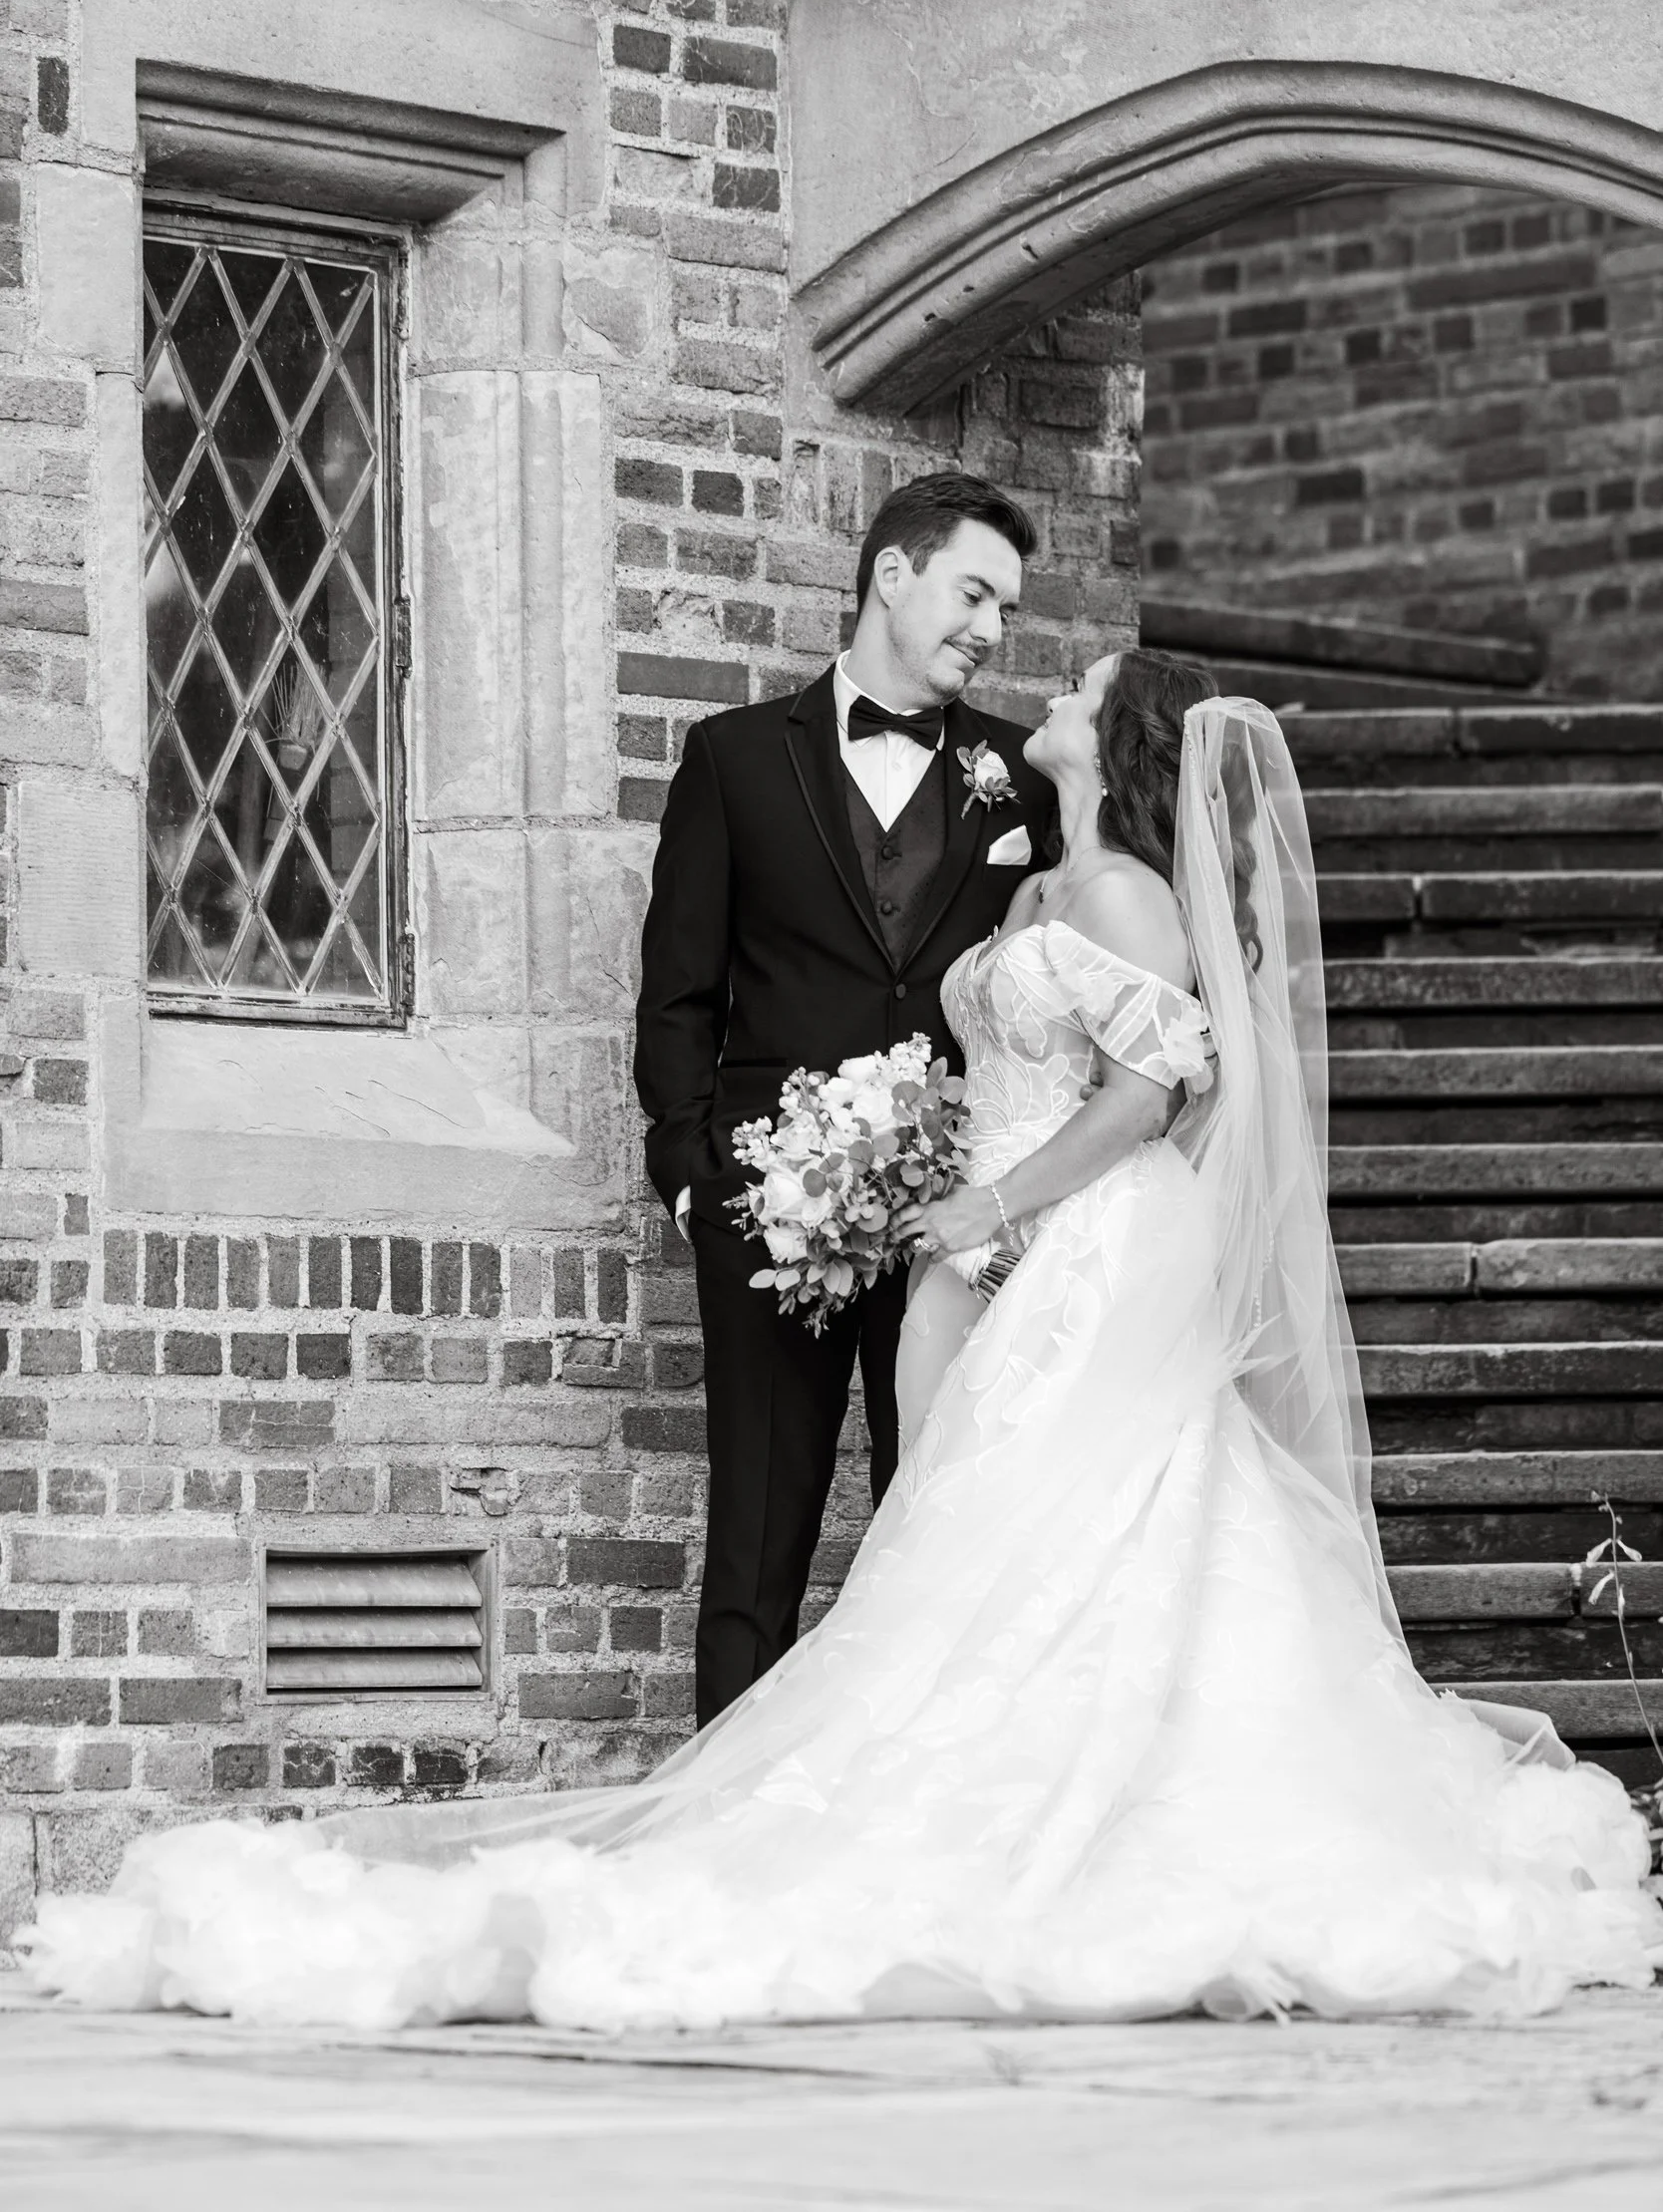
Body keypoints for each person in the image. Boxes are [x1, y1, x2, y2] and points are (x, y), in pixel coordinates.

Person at [24, 654, 1661, 2028]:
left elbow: (1150, 1093)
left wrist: (988, 1205)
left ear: (1122, 735)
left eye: (1083, 688)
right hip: (1013, 1233)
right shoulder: (1048, 876)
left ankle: (1116, 1825)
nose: (1052, 691)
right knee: (999, 1524)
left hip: (1091, 1243)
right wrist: (911, 1164)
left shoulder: (1124, 893)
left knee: (1100, 1518)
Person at [632, 471, 1055, 1727]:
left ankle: (922, 1805)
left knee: (941, 1532)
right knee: (756, 1541)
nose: (991, 628)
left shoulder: (1023, 780)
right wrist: (693, 1177)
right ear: (892, 574)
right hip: (773, 1215)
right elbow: (679, 990)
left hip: (954, 1228)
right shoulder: (733, 760)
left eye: (1007, 609)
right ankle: (719, 1817)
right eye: (974, 593)